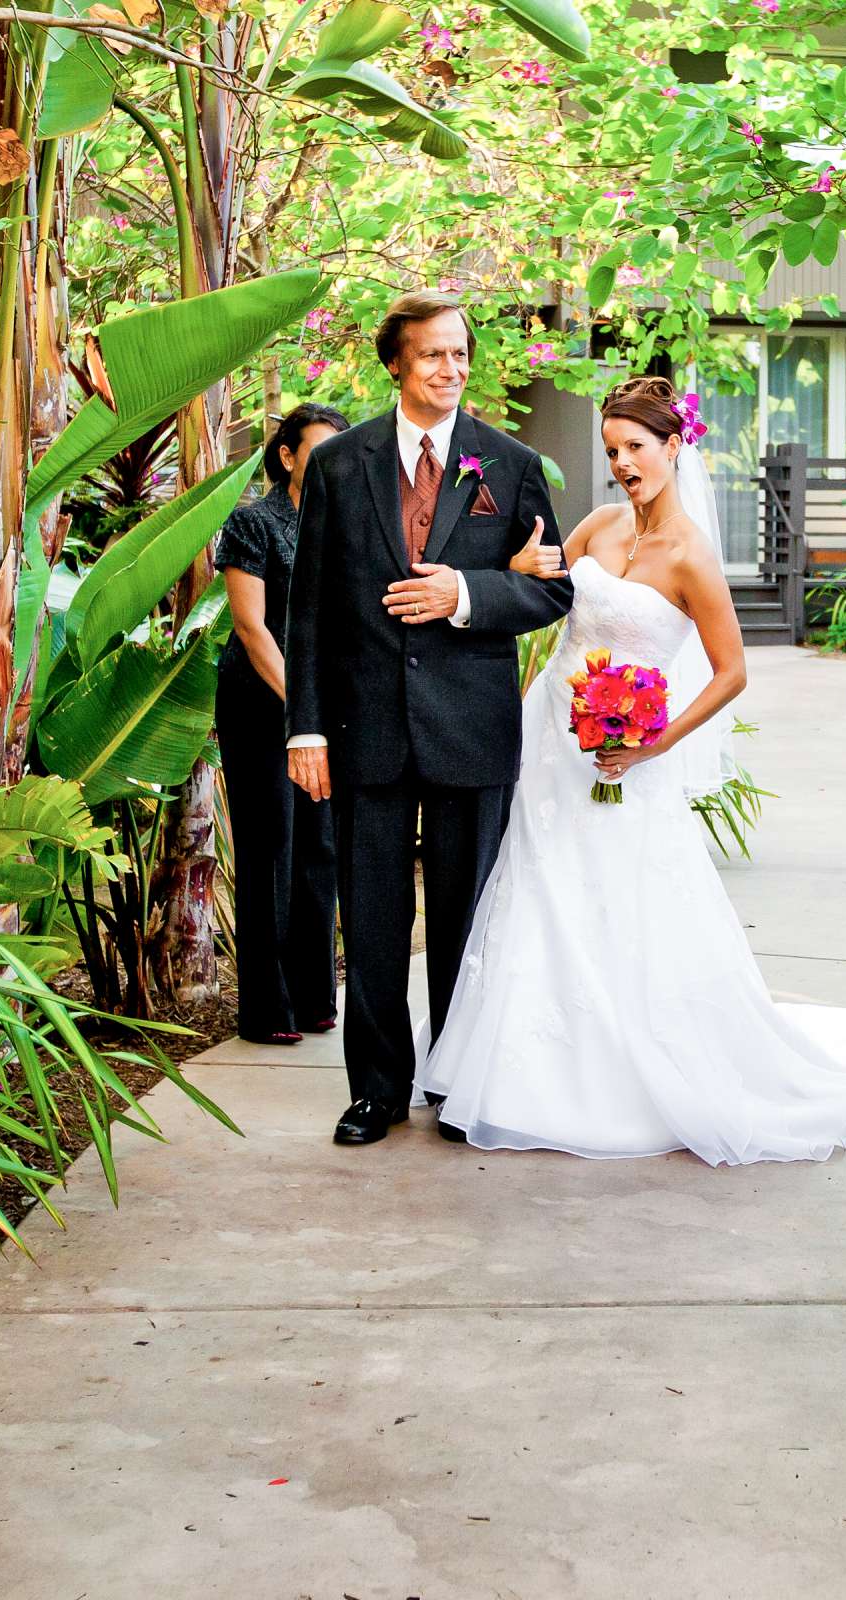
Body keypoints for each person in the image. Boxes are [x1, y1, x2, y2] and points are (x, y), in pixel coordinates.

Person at [415, 376, 846, 1160]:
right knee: (533, 885)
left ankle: (611, 1076)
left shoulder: (693, 556)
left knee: (615, 897)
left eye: (637, 447)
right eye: (611, 451)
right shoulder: (600, 525)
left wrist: (653, 741)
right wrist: (527, 565)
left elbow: (731, 671)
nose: (623, 463)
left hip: (630, 753)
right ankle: (509, 1074)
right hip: (549, 739)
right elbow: (541, 588)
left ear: (674, 447)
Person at [284, 290, 573, 1147]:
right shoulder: (340, 465)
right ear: (396, 365)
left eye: (460, 355)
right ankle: (377, 1090)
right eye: (433, 356)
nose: (451, 370)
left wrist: (466, 593)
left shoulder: (510, 464)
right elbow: (308, 610)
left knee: (464, 917)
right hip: (364, 725)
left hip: (471, 725)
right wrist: (306, 727)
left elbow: (552, 586)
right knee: (372, 917)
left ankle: (457, 1080)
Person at [215, 403, 348, 1046]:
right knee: (273, 846)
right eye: (314, 452)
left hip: (323, 708)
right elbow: (251, 627)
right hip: (260, 701)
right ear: (288, 456)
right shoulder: (253, 521)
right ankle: (266, 1010)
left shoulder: (346, 526)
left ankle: (315, 997)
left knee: (320, 846)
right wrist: (304, 709)